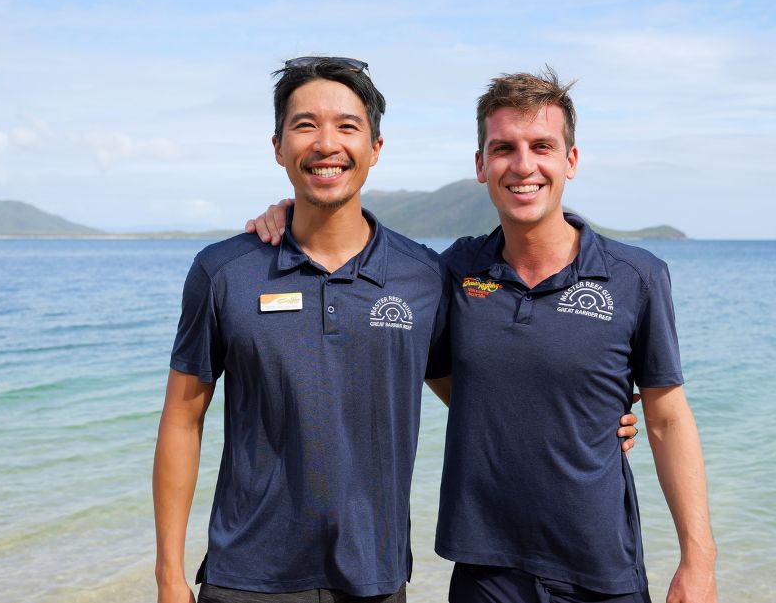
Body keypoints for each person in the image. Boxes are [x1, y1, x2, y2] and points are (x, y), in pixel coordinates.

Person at [154, 57, 640, 603]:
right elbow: (181, 418)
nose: (326, 143)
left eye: (347, 126)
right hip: (245, 576)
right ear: (277, 146)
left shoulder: (425, 276)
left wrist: (588, 421)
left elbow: (479, 385)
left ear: (376, 149)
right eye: (305, 125)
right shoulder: (223, 271)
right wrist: (169, 576)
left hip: (375, 580)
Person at [249, 68, 716, 603]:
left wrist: (698, 561)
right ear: (480, 165)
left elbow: (668, 418)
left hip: (601, 566)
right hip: (484, 569)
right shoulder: (447, 272)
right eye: (503, 148)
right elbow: (414, 344)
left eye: (542, 146)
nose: (523, 166)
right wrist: (285, 214)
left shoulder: (637, 276)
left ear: (571, 160)